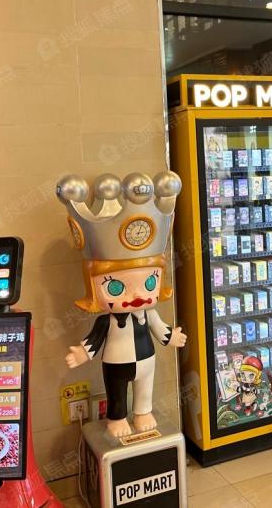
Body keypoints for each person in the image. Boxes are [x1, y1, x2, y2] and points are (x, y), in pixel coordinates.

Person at [58, 171, 187, 439]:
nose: (137, 295)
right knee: (116, 391)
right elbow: (94, 340)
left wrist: (171, 336)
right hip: (116, 363)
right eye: (116, 287)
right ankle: (116, 417)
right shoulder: (106, 320)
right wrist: (83, 353)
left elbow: (159, 328)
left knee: (145, 390)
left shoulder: (148, 313)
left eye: (149, 283)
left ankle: (143, 412)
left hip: (147, 360)